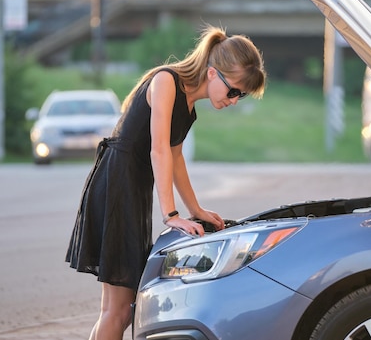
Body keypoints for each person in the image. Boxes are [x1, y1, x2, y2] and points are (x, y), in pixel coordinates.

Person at [65, 24, 267, 340]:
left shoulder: (188, 107)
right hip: (118, 187)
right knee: (118, 311)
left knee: (119, 310)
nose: (235, 100)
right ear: (213, 74)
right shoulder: (166, 81)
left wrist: (196, 209)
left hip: (132, 190)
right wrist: (172, 216)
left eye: (241, 95)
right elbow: (158, 149)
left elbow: (176, 159)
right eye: (234, 91)